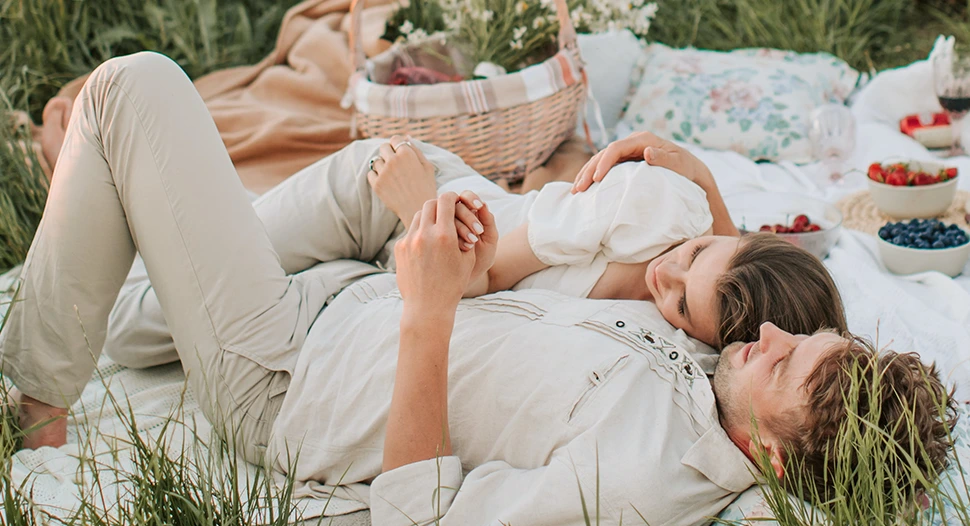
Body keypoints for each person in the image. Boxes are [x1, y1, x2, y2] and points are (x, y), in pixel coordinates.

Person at [0, 53, 954, 526]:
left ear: (777, 460)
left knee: (133, 90)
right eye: (799, 336)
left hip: (286, 380)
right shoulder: (719, 384)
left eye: (786, 364)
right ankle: (114, 308)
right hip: (344, 296)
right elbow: (748, 277)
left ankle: (38, 399)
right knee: (136, 307)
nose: (768, 339)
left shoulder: (638, 483)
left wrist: (429, 311)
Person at [100, 121, 846, 371]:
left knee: (197, 307)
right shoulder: (642, 214)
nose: (665, 277)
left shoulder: (703, 343)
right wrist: (413, 199)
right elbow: (483, 272)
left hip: (411, 260)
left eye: (683, 305)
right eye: (692, 254)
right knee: (143, 323)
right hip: (405, 198)